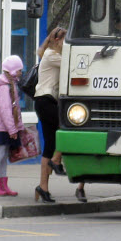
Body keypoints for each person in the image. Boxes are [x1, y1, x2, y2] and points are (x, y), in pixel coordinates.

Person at [33, 27, 85, 203]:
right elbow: (73, 65)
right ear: (56, 40)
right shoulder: (52, 55)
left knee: (49, 143)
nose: (65, 44)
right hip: (45, 100)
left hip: (45, 101)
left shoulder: (51, 54)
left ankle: (43, 187)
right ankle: (56, 160)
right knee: (69, 125)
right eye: (64, 40)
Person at [0, 55, 27, 197]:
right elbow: (5, 110)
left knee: (3, 156)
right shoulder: (4, 87)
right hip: (3, 127)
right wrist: (12, 129)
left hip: (7, 127)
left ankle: (3, 185)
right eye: (19, 70)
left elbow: (15, 109)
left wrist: (17, 126)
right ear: (13, 71)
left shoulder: (11, 84)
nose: (21, 72)